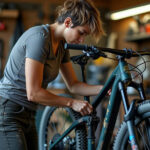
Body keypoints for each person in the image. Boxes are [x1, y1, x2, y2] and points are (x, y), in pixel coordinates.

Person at [0, 0, 106, 149]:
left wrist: (104, 88)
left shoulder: (62, 46)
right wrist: (72, 103)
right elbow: (34, 93)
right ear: (68, 22)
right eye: (81, 33)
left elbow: (74, 86)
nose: (82, 40)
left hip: (29, 114)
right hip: (8, 111)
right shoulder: (40, 38)